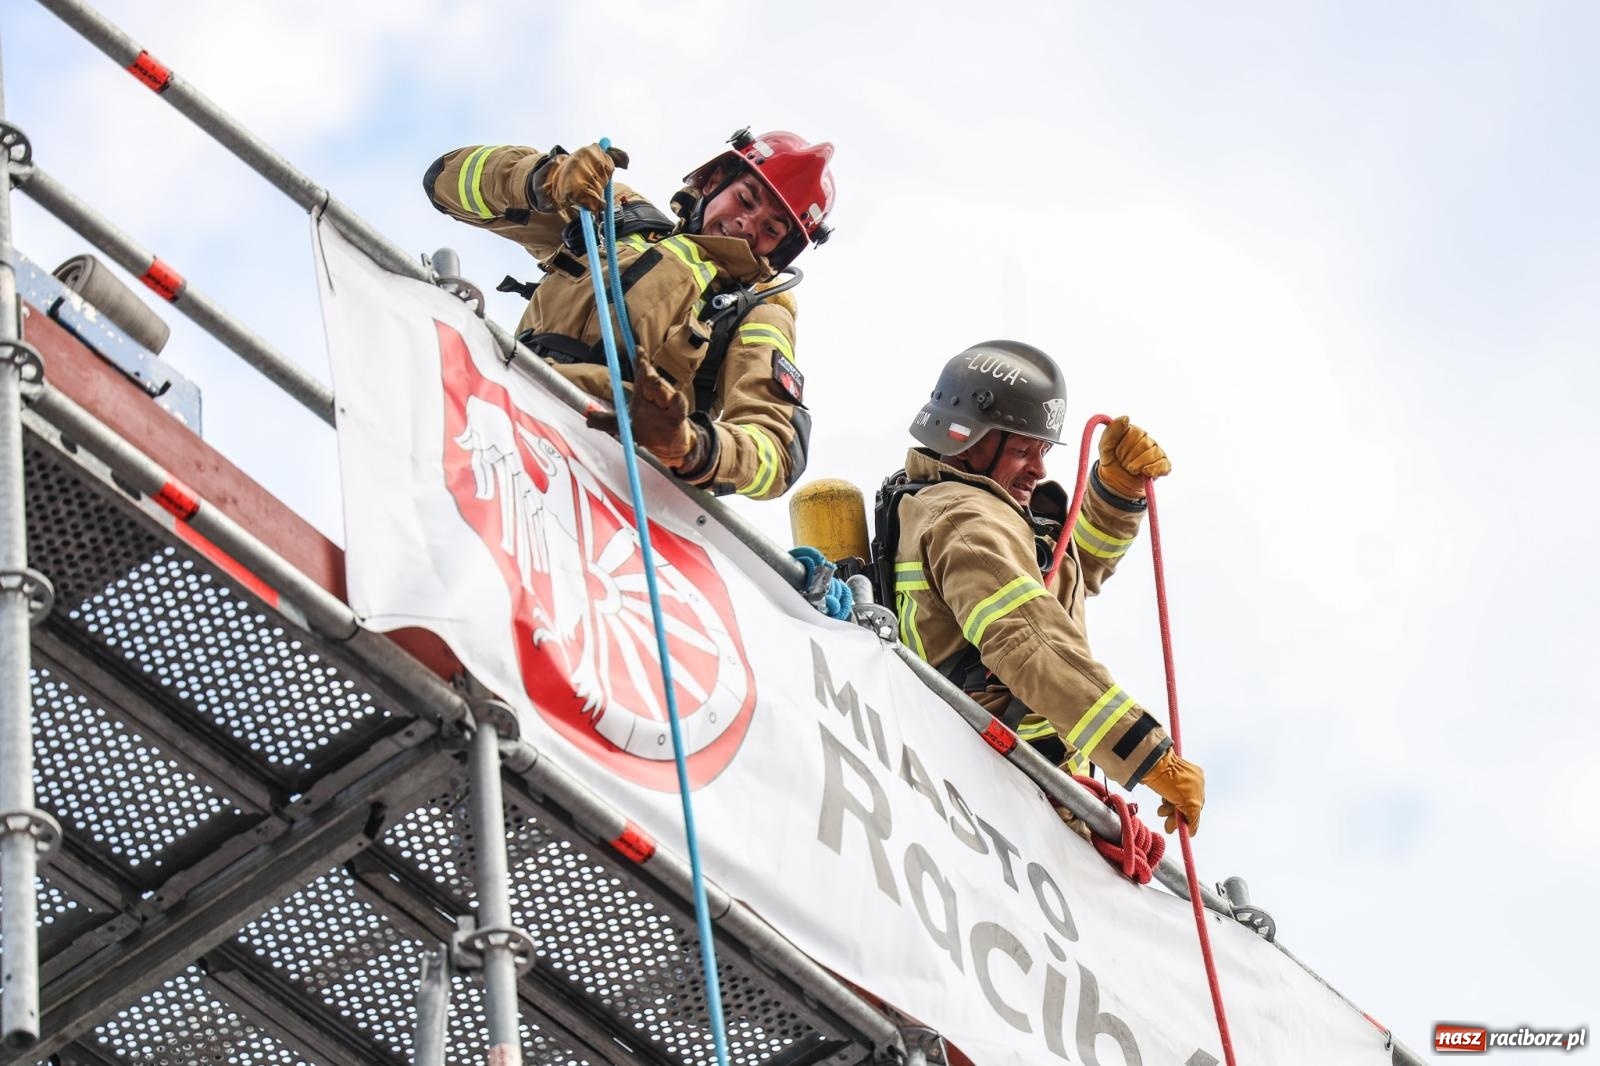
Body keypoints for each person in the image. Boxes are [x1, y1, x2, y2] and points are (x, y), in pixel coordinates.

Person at [877, 340, 1206, 835]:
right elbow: (1031, 641)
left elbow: (1071, 575)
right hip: (997, 796)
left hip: (1018, 792)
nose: (1040, 468)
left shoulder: (981, 511)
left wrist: (1114, 493)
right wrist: (1149, 755)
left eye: (1043, 451)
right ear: (971, 440)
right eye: (1023, 450)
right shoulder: (966, 518)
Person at [422, 129, 835, 501]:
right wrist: (544, 178)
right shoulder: (621, 216)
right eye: (745, 199)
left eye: (771, 230)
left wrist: (691, 446)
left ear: (779, 253)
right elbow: (446, 182)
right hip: (494, 409)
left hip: (603, 481)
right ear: (713, 181)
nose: (747, 223)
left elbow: (775, 452)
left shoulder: (758, 312)